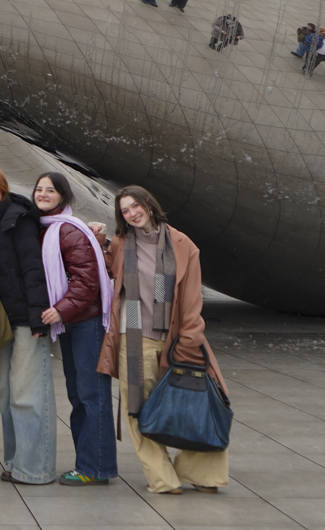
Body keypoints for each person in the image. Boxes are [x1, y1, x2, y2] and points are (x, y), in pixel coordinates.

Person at [97, 186, 229, 494]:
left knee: (195, 408)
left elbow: (194, 299)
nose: (132, 213)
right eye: (125, 211)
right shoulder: (120, 243)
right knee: (137, 410)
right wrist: (96, 238)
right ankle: (163, 479)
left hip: (177, 339)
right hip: (133, 338)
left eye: (135, 206)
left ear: (149, 205)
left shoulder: (183, 245)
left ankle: (202, 474)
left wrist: (190, 340)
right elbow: (100, 266)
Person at [33, 172, 116, 487]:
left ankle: (94, 468)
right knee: (80, 395)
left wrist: (60, 310)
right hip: (73, 322)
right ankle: (93, 464)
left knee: (91, 395)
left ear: (62, 197)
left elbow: (87, 282)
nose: (43, 194)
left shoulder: (67, 231)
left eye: (49, 190)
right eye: (39, 190)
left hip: (86, 322)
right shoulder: (49, 229)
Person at [0, 165, 55, 486]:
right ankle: (14, 462)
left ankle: (36, 468)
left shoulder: (19, 218)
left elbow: (33, 269)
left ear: (3, 187)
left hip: (26, 320)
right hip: (2, 321)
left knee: (29, 395)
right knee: (6, 395)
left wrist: (38, 317)